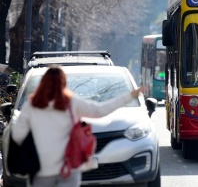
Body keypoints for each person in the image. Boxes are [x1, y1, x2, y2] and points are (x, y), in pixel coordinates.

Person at [11, 65, 144, 187]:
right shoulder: (71, 103)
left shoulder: (31, 106)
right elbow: (100, 110)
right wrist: (128, 97)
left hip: (39, 169)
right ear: (63, 83)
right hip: (69, 168)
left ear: (43, 83)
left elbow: (18, 135)